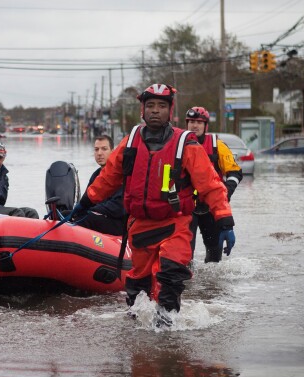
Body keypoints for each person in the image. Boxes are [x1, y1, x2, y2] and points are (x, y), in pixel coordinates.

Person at [76, 83, 236, 326]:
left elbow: (211, 184)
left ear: (170, 111)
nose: (155, 111)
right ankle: (142, 345)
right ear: (142, 109)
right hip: (140, 226)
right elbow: (108, 179)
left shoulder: (186, 144)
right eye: (150, 105)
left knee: (170, 277)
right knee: (137, 291)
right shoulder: (130, 144)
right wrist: (84, 203)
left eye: (161, 106)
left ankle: (167, 341)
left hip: (175, 224)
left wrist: (225, 220)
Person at [185, 106, 243, 263]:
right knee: (184, 255)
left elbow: (235, 172)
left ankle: (212, 287)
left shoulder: (217, 145)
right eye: (191, 122)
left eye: (199, 122)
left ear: (206, 126)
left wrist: (224, 194)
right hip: (187, 207)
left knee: (214, 256)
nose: (194, 125)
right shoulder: (179, 145)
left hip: (211, 207)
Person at [73, 135, 125, 236]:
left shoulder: (121, 175)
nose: (99, 153)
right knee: (67, 214)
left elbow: (119, 207)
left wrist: (92, 211)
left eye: (104, 149)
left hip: (118, 222)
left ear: (113, 152)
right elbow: (88, 200)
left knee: (88, 218)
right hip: (100, 215)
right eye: (96, 150)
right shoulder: (96, 175)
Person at [0, 140, 39, 219]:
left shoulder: (4, 176)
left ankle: (37, 231)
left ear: (4, 157)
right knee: (17, 212)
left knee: (31, 212)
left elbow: (2, 202)